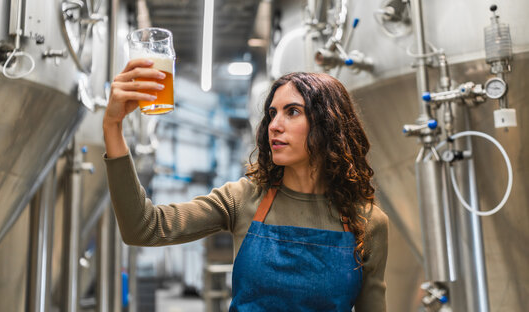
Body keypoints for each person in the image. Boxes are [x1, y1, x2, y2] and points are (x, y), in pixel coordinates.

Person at [103, 60, 388, 311]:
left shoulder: (367, 222)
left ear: (329, 125)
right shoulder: (244, 199)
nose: (274, 124)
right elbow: (144, 227)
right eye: (272, 113)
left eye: (292, 112)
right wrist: (113, 126)